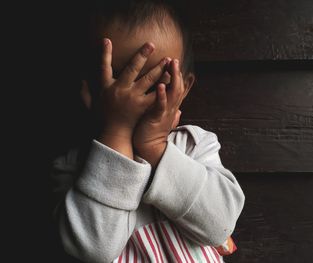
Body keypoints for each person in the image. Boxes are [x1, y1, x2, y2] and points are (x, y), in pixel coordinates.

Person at [51, 1, 245, 262]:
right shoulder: (73, 165)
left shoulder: (193, 145)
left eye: (155, 84)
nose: (135, 99)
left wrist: (155, 147)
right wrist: (117, 132)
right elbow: (92, 249)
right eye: (119, 81)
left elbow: (221, 223)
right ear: (88, 89)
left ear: (184, 88)